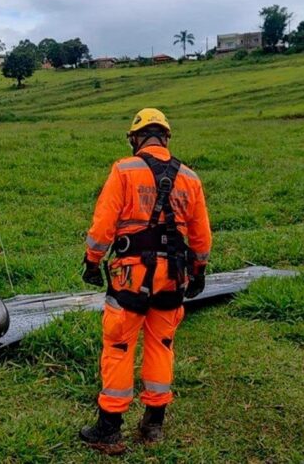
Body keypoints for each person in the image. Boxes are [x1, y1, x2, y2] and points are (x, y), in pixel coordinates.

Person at [80, 108, 212, 452]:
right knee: (161, 345)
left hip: (130, 276)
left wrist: (92, 262)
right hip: (172, 278)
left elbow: (102, 226)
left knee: (120, 346)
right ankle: (153, 425)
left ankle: (109, 430)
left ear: (135, 139)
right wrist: (198, 271)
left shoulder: (124, 170)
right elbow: (201, 236)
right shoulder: (191, 178)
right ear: (166, 138)